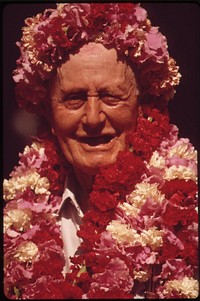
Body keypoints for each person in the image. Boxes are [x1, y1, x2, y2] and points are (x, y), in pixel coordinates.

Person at [3, 3, 198, 299]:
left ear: (142, 106)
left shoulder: (189, 210)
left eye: (111, 96)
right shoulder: (15, 221)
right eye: (74, 98)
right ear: (49, 114)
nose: (93, 118)